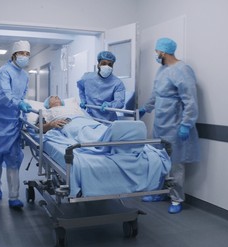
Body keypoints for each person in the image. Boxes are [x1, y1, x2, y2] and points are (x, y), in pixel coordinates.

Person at [139, 38, 200, 214]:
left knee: (175, 164)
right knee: (157, 160)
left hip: (175, 125)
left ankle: (176, 198)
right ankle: (159, 193)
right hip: (160, 123)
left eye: (157, 52)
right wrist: (146, 108)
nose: (156, 55)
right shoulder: (162, 70)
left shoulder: (182, 70)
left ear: (163, 52)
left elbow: (190, 100)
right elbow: (156, 93)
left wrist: (186, 124)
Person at [0, 40, 32, 210]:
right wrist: (18, 104)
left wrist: (24, 112)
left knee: (13, 159)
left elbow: (23, 96)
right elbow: (4, 96)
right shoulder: (3, 72)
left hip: (13, 122)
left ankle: (14, 197)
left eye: (27, 54)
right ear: (13, 55)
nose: (24, 57)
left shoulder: (25, 75)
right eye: (21, 53)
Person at [77, 51, 126, 121]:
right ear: (98, 65)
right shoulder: (87, 78)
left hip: (109, 120)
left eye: (110, 64)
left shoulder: (117, 83)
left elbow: (120, 102)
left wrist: (109, 105)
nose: (107, 66)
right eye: (104, 63)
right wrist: (83, 100)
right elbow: (81, 88)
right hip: (91, 118)